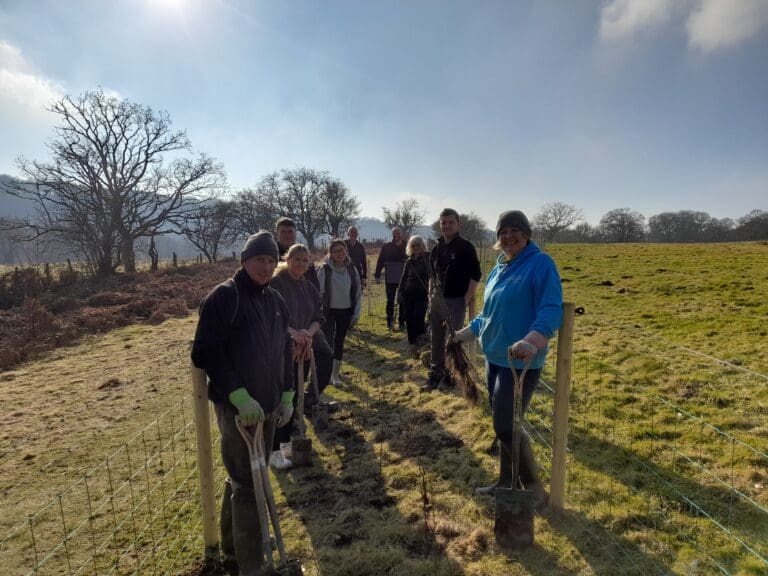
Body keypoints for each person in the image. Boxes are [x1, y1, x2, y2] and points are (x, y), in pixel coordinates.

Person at [191, 231, 294, 575]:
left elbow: (284, 353)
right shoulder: (225, 298)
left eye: (270, 260)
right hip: (238, 410)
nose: (265, 267)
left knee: (246, 478)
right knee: (250, 485)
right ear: (244, 261)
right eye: (258, 260)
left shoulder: (274, 300)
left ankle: (234, 551)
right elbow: (205, 350)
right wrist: (237, 394)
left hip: (267, 407)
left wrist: (288, 395)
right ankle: (252, 567)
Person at [452, 210, 563, 508]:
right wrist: (464, 333)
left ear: (527, 234)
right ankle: (506, 481)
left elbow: (552, 309)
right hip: (495, 358)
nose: (508, 236)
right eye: (503, 231)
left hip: (521, 363)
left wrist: (532, 340)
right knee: (504, 423)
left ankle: (534, 490)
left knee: (506, 425)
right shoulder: (500, 267)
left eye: (515, 230)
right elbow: (488, 315)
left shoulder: (540, 264)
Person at [268, 243, 334, 470]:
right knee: (280, 398)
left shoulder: (310, 288)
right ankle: (273, 449)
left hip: (304, 349)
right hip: (281, 351)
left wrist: (308, 333)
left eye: (305, 261)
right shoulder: (275, 285)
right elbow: (273, 317)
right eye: (297, 259)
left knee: (295, 395)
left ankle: (286, 444)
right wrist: (292, 334)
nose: (301, 264)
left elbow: (318, 317)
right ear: (287, 259)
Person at [424, 208, 481, 390]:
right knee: (437, 338)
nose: (446, 226)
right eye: (443, 223)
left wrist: (466, 298)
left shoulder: (466, 247)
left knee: (452, 340)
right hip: (437, 300)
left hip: (456, 300)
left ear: (458, 224)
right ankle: (436, 372)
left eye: (450, 222)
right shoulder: (436, 247)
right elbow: (432, 275)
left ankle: (451, 375)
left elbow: (476, 274)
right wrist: (431, 296)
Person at [318, 239, 362, 386]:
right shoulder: (324, 270)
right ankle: (326, 373)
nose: (340, 253)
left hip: (346, 312)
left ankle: (335, 376)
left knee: (339, 343)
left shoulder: (351, 269)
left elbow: (357, 293)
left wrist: (356, 314)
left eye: (342, 250)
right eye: (336, 251)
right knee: (328, 342)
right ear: (330, 253)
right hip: (328, 312)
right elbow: (319, 293)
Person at [395, 235, 430, 347]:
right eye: (413, 245)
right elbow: (403, 278)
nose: (415, 247)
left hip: (422, 294)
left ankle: (421, 339)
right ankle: (412, 342)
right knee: (408, 318)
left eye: (418, 245)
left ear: (422, 246)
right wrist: (400, 292)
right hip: (408, 294)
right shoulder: (409, 261)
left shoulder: (427, 259)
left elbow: (432, 276)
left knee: (418, 317)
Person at [374, 227, 407, 330]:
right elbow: (380, 261)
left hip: (404, 278)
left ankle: (402, 322)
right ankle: (389, 321)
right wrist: (377, 275)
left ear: (401, 234)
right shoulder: (386, 247)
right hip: (390, 278)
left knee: (403, 301)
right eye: (394, 233)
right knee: (390, 301)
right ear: (392, 235)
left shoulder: (408, 246)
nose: (396, 235)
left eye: (398, 233)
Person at [275, 216, 319, 289]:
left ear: (295, 233)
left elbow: (313, 282)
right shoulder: (271, 254)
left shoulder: (304, 253)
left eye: (290, 232)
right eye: (283, 232)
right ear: (277, 233)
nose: (287, 235)